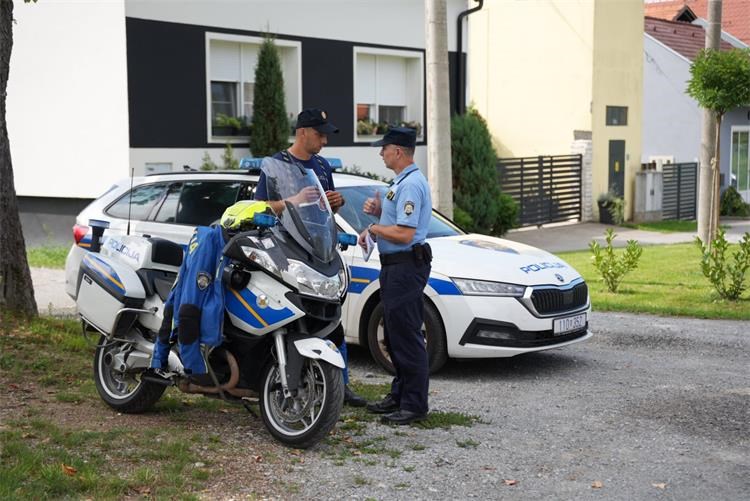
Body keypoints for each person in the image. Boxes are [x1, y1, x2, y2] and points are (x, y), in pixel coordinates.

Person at [254, 108, 366, 407]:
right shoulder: (276, 164)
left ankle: (340, 385)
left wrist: (336, 203)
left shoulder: (322, 166)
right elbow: (259, 207)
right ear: (302, 132)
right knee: (293, 317)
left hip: (318, 251)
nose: (324, 141)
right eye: (320, 134)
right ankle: (283, 377)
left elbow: (326, 209)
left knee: (330, 319)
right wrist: (294, 201)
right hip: (287, 251)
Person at [359, 127, 433, 425]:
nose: (381, 153)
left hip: (405, 266)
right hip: (395, 266)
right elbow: (400, 222)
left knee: (406, 336)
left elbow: (405, 234)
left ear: (398, 151)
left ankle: (414, 404)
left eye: (384, 148)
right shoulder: (402, 182)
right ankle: (400, 395)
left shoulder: (411, 184)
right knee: (394, 333)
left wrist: (375, 228)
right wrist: (381, 212)